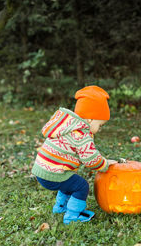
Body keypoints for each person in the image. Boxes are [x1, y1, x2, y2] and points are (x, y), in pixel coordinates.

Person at [31, 85, 117, 224]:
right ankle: (72, 216)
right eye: (100, 125)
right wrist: (105, 164)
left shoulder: (68, 125)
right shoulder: (81, 133)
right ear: (89, 119)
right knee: (81, 186)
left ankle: (60, 207)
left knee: (69, 181)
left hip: (41, 170)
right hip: (53, 173)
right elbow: (90, 159)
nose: (100, 129)